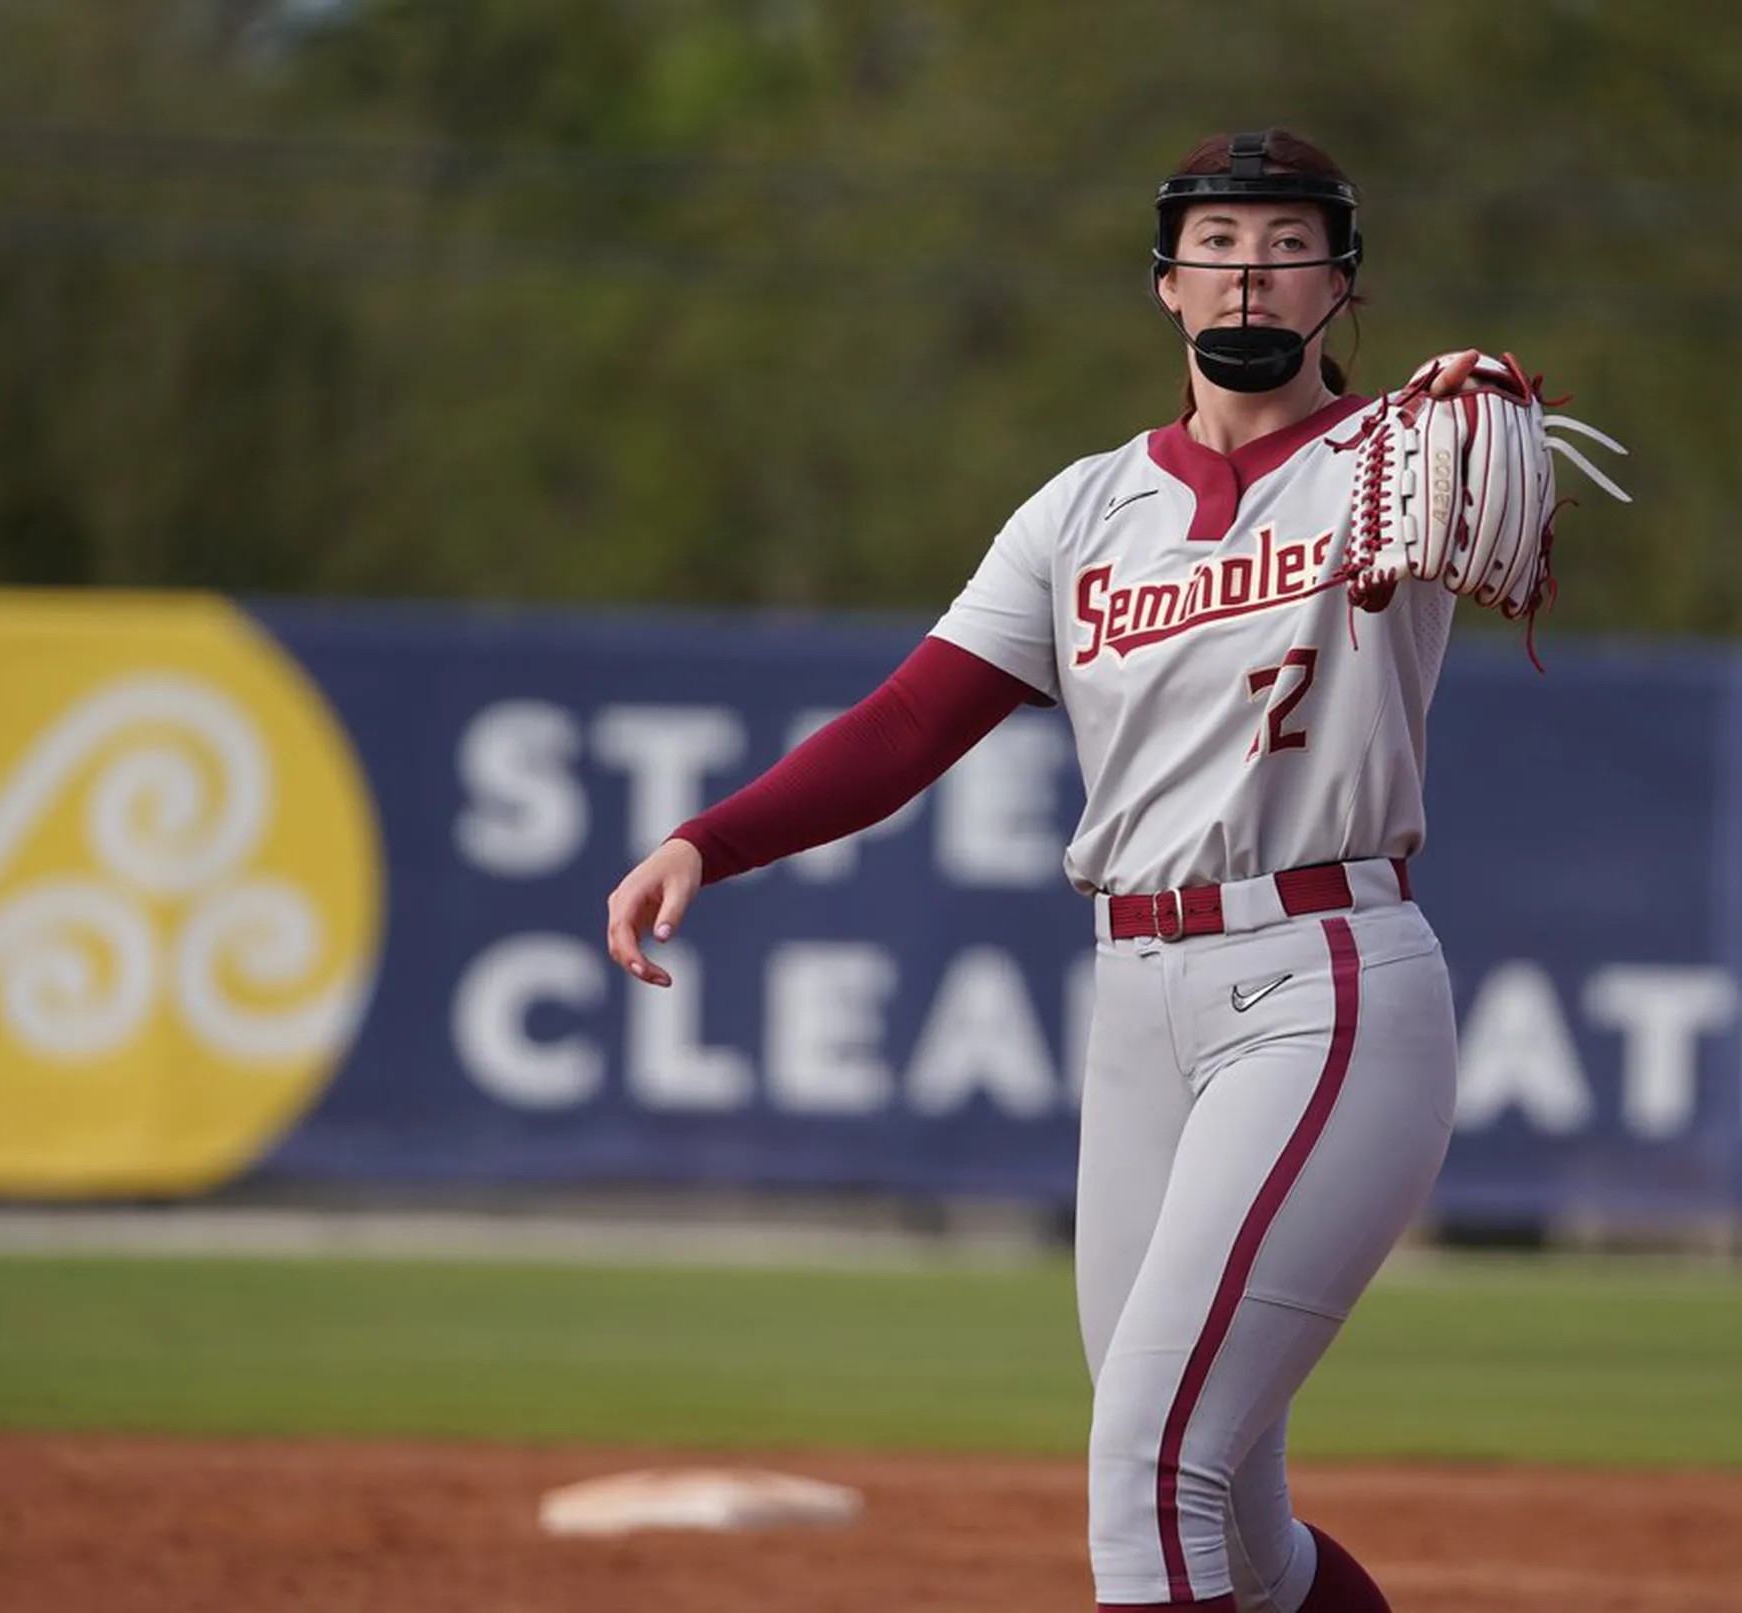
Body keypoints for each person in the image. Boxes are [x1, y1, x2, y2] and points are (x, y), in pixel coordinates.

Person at [607, 128, 1559, 1613]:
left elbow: (1502, 480)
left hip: (1323, 983)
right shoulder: (1083, 508)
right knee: (1234, 1519)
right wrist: (706, 837)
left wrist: (1485, 410)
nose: (1252, 268)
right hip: (1136, 1002)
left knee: (1145, 1463)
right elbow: (914, 718)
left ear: (1343, 285)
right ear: (1166, 285)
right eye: (1220, 243)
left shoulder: (1391, 462)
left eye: (1289, 242)